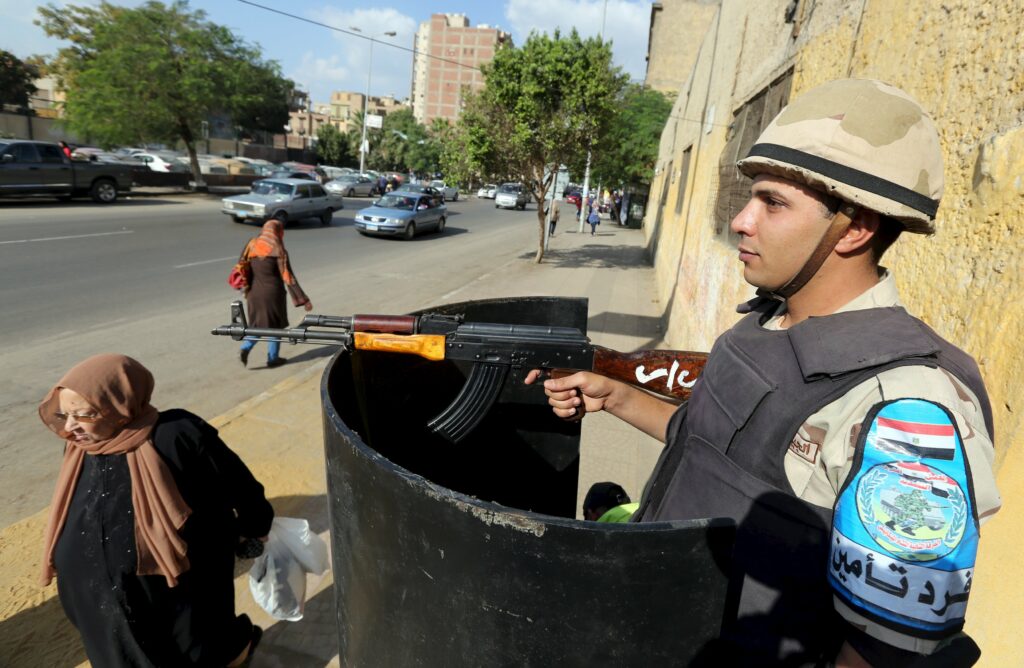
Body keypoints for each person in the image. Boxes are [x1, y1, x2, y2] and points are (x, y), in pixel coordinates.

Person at [527, 79, 1000, 666]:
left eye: (773, 203)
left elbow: (882, 649)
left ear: (854, 227)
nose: (742, 221)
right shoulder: (766, 324)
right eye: (751, 198)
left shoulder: (908, 405)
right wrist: (618, 397)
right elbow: (708, 448)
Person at [38, 353, 274, 667]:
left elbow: (238, 486)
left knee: (194, 643)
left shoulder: (176, 432)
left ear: (120, 405)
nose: (70, 428)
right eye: (65, 415)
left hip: (173, 590)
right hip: (99, 603)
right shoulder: (79, 448)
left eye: (84, 415)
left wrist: (255, 527)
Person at [238, 217, 313, 368]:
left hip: (253, 293)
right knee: (276, 328)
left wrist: (245, 288)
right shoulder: (278, 249)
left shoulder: (252, 244)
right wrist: (303, 300)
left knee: (258, 325)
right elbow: (288, 277)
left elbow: (242, 265)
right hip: (272, 294)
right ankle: (273, 359)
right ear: (279, 232)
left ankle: (245, 347)